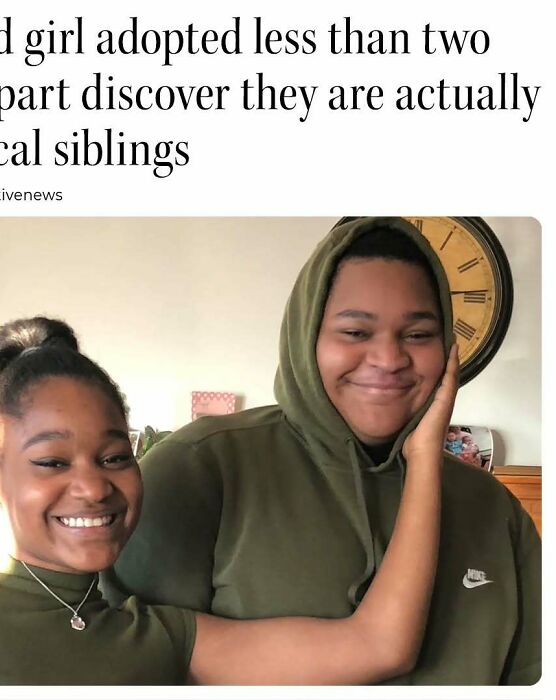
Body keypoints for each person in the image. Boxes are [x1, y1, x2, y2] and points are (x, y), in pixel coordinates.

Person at [0, 315, 457, 686]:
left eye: (114, 456)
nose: (93, 486)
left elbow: (380, 646)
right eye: (51, 461)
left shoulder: (163, 639)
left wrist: (425, 454)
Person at [109, 217, 542, 685]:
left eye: (417, 335)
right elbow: (118, 660)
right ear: (305, 336)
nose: (389, 359)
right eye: (356, 333)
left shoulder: (493, 510)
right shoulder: (201, 467)